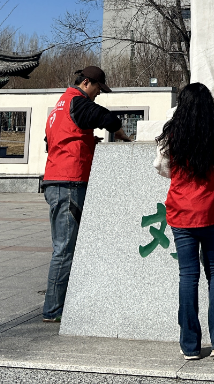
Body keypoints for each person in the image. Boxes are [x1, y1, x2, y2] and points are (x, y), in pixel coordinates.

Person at [154, 83, 214, 361]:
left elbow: (162, 168)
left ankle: (190, 345)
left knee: (188, 277)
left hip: (181, 213)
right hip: (212, 211)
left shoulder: (172, 133)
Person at [41, 66, 131, 323]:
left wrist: (88, 142)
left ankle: (61, 303)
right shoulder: (77, 101)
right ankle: (53, 310)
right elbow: (105, 117)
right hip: (69, 182)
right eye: (98, 89)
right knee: (64, 249)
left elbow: (53, 142)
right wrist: (121, 134)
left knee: (65, 247)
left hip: (56, 179)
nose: (98, 94)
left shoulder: (59, 107)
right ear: (87, 83)